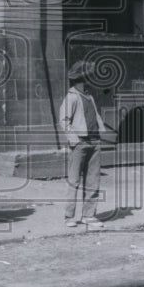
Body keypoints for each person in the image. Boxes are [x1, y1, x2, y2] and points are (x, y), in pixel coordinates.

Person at [60, 60, 107, 230]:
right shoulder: (72, 97)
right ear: (80, 78)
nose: (91, 80)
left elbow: (93, 116)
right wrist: (75, 140)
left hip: (94, 141)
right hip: (80, 143)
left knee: (93, 179)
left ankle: (89, 215)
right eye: (88, 77)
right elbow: (64, 121)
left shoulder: (90, 96)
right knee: (74, 180)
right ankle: (69, 215)